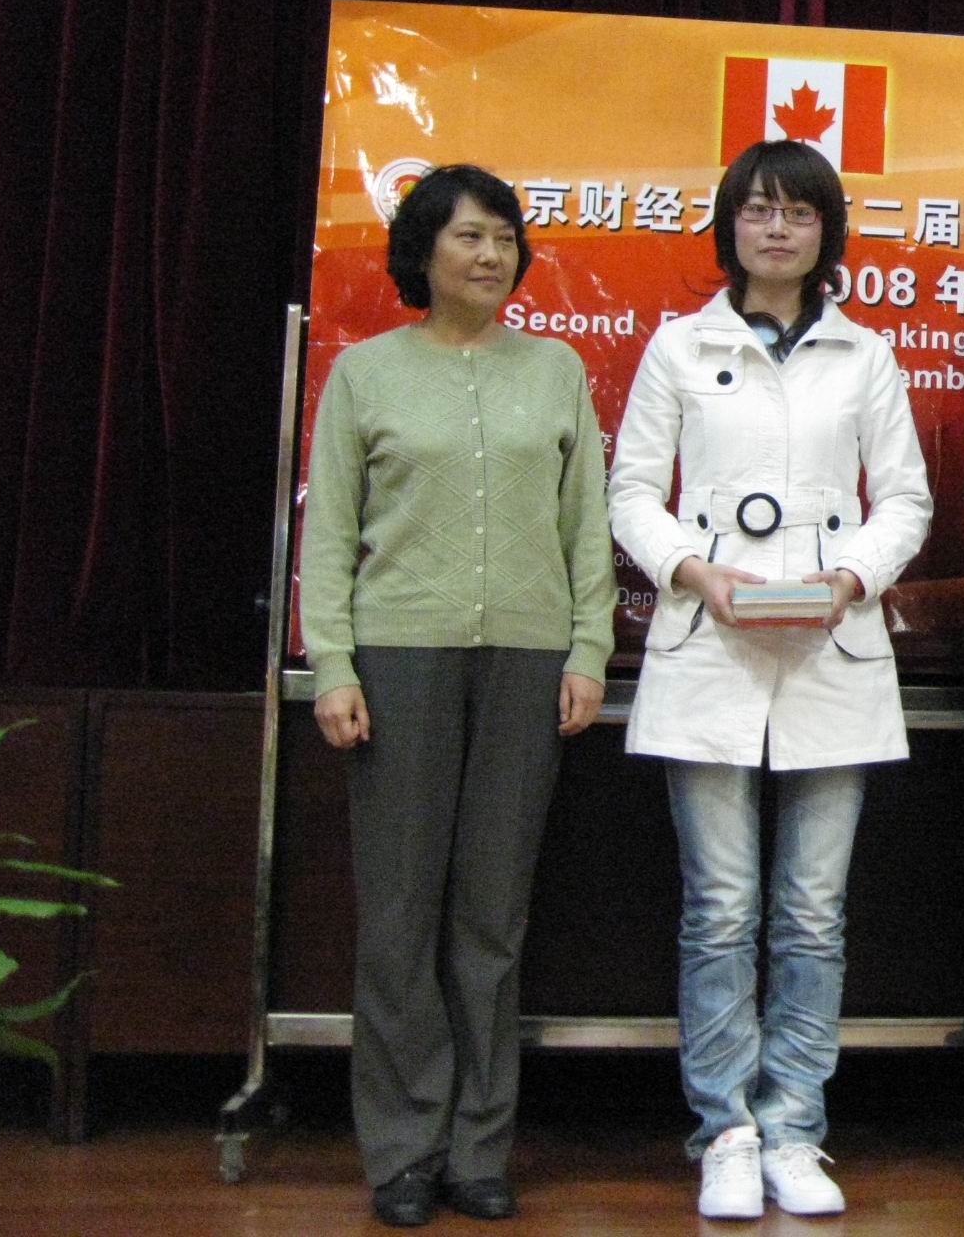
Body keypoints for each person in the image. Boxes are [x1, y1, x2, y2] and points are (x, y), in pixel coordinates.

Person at [607, 139, 930, 1222]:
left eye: (798, 212)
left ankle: (795, 1126)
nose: (777, 229)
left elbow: (905, 501)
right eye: (757, 210)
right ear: (730, 226)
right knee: (720, 909)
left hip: (832, 652)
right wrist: (695, 572)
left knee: (811, 914)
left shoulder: (865, 355)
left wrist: (851, 578)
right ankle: (726, 1132)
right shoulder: (678, 346)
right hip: (711, 646)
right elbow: (632, 494)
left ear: (826, 231)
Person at [300, 163, 615, 1228]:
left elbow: (585, 524)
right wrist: (334, 665)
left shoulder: (555, 369)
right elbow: (330, 534)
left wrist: (587, 649)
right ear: (422, 251)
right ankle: (402, 1151)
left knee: (491, 918)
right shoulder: (365, 374)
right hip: (400, 657)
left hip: (529, 659)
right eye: (469, 236)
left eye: (505, 238)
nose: (491, 255)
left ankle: (479, 1148)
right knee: (398, 916)